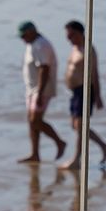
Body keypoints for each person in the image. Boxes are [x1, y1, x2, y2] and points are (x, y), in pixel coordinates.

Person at [58, 20, 106, 170]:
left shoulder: (88, 49)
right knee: (75, 126)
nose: (69, 38)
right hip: (75, 92)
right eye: (67, 36)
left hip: (85, 90)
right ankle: (104, 146)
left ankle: (76, 160)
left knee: (81, 126)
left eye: (71, 35)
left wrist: (98, 96)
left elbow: (94, 73)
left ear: (80, 33)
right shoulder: (75, 48)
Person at [18, 21, 67, 164]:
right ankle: (35, 154)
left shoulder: (41, 45)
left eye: (24, 35)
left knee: (35, 120)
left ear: (32, 31)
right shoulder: (31, 44)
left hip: (42, 89)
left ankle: (59, 142)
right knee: (31, 122)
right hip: (31, 89)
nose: (22, 39)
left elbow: (44, 69)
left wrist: (39, 93)